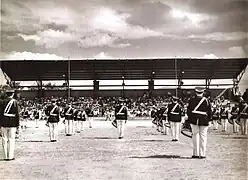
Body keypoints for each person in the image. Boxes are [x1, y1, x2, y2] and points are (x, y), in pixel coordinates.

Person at [187, 87, 212, 159]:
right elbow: (209, 111)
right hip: (204, 120)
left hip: (194, 119)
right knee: (203, 137)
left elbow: (188, 111)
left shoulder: (191, 100)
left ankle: (195, 153)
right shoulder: (207, 101)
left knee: (195, 136)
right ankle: (203, 154)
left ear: (196, 92)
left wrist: (190, 118)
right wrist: (209, 120)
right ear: (203, 92)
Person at [0, 89, 20, 161]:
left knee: (4, 139)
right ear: (12, 94)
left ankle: (5, 156)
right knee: (11, 139)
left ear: (6, 94)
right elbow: (17, 114)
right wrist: (18, 124)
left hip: (4, 122)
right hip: (12, 122)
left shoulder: (2, 102)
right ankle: (10, 156)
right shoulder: (15, 102)